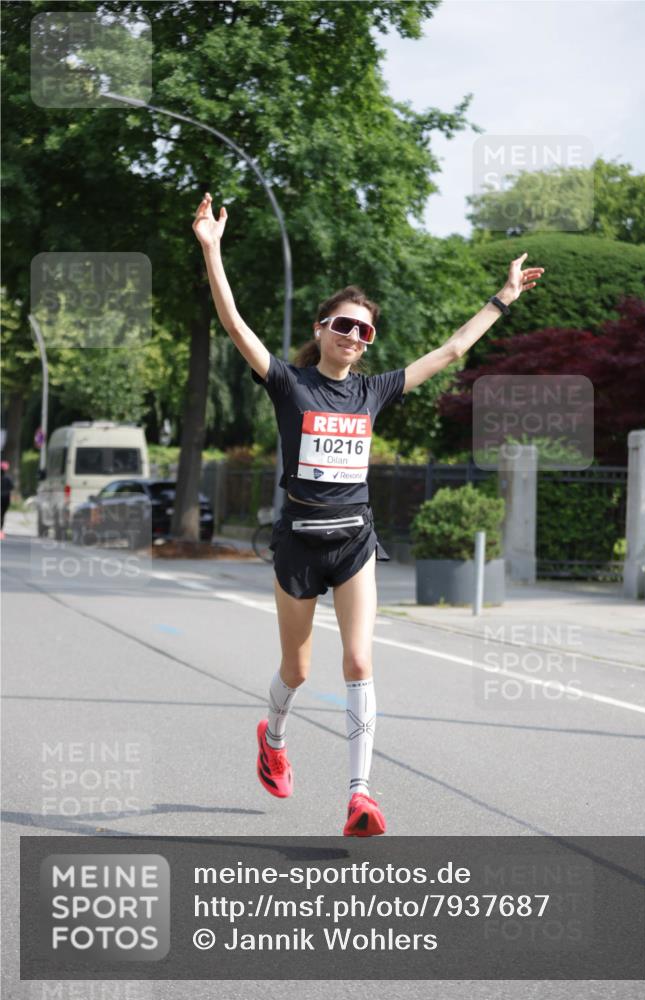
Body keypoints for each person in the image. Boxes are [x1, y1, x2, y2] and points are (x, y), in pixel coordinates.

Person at [193, 192, 544, 836]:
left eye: (365, 330)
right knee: (296, 669)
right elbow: (237, 326)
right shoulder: (288, 383)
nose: (354, 336)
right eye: (344, 325)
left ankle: (360, 796)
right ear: (322, 328)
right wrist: (213, 251)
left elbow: (451, 352)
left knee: (358, 661)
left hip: (354, 542)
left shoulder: (372, 389)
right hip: (298, 544)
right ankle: (272, 736)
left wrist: (504, 298)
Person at [1, 460, 13, 540]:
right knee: (2, 515)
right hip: (6, 498)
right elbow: (12, 487)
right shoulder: (8, 478)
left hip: (4, 498)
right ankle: (1, 530)